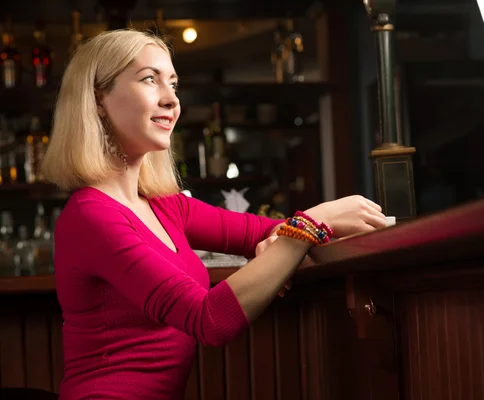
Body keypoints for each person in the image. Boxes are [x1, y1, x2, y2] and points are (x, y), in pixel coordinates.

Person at [40, 29, 386, 399]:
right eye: (149, 80)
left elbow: (267, 231)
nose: (171, 100)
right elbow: (209, 320)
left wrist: (283, 241)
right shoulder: (91, 217)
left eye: (173, 84)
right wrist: (311, 224)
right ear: (97, 101)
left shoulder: (166, 206)